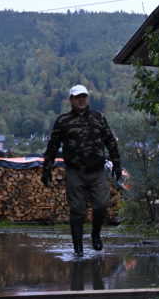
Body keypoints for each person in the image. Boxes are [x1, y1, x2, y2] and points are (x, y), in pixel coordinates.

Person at [41, 84, 122, 257]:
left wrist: (117, 163)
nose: (81, 100)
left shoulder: (98, 117)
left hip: (97, 169)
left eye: (84, 96)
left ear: (87, 98)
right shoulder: (63, 121)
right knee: (77, 209)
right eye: (77, 97)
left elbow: (110, 141)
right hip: (75, 171)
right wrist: (46, 168)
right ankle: (78, 247)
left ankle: (95, 235)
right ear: (71, 100)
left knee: (101, 204)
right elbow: (53, 146)